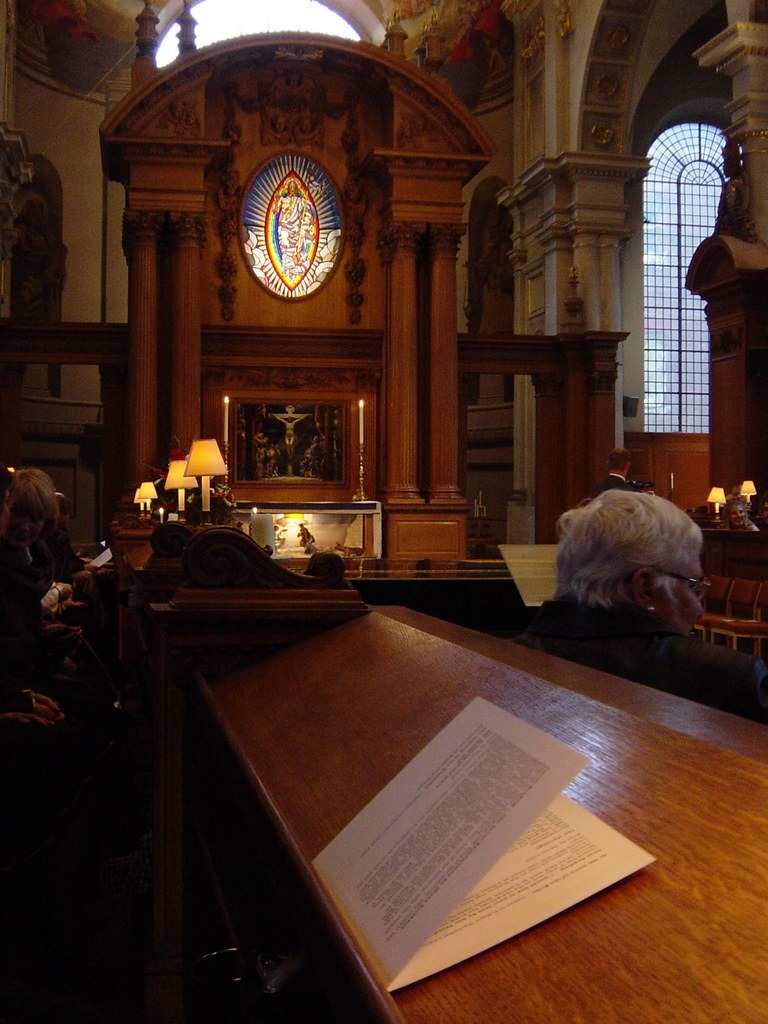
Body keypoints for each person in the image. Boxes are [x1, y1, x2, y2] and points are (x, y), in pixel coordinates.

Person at [513, 489, 768, 722]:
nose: (698, 609)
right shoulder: (733, 681)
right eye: (692, 586)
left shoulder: (510, 662)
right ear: (644, 586)